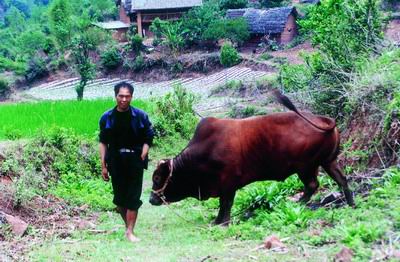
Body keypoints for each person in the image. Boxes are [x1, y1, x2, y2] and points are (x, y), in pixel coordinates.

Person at [99, 81, 154, 243]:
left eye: (127, 96)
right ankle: (127, 227)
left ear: (132, 97)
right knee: (120, 199)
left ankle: (130, 231)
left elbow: (148, 137)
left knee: (133, 197)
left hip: (135, 160)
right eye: (121, 96)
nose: (124, 99)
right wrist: (103, 165)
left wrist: (144, 153)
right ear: (115, 96)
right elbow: (103, 142)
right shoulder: (106, 117)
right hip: (115, 160)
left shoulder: (140, 116)